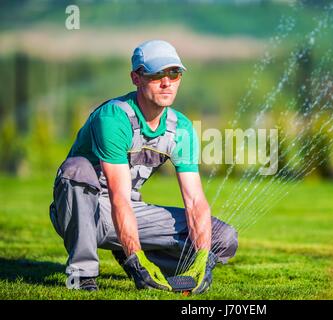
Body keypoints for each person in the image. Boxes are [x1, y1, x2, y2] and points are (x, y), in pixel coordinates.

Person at [49, 40, 238, 293]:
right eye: (156, 74)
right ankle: (84, 275)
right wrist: (135, 258)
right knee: (76, 169)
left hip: (130, 211)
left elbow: (195, 202)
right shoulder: (114, 118)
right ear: (136, 78)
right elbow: (119, 199)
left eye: (174, 73)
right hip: (83, 213)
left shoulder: (180, 128)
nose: (166, 82)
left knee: (222, 238)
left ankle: (156, 264)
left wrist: (203, 255)